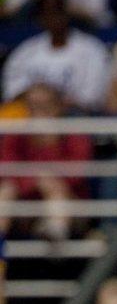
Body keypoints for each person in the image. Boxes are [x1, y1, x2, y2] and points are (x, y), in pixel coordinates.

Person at [0, 82, 93, 241]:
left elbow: (75, 176)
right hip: (25, 202)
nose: (38, 111)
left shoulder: (74, 135)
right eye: (32, 105)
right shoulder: (16, 134)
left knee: (53, 186)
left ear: (58, 107)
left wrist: (50, 145)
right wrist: (35, 179)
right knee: (7, 189)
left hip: (69, 204)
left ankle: (55, 233)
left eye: (45, 105)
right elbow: (6, 168)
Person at [2, 0, 110, 113]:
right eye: (46, 13)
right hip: (28, 115)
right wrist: (39, 96)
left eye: (57, 12)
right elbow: (11, 92)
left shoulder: (92, 49)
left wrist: (53, 99)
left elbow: (92, 98)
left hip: (72, 117)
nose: (53, 18)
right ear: (40, 19)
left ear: (66, 14)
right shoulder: (25, 51)